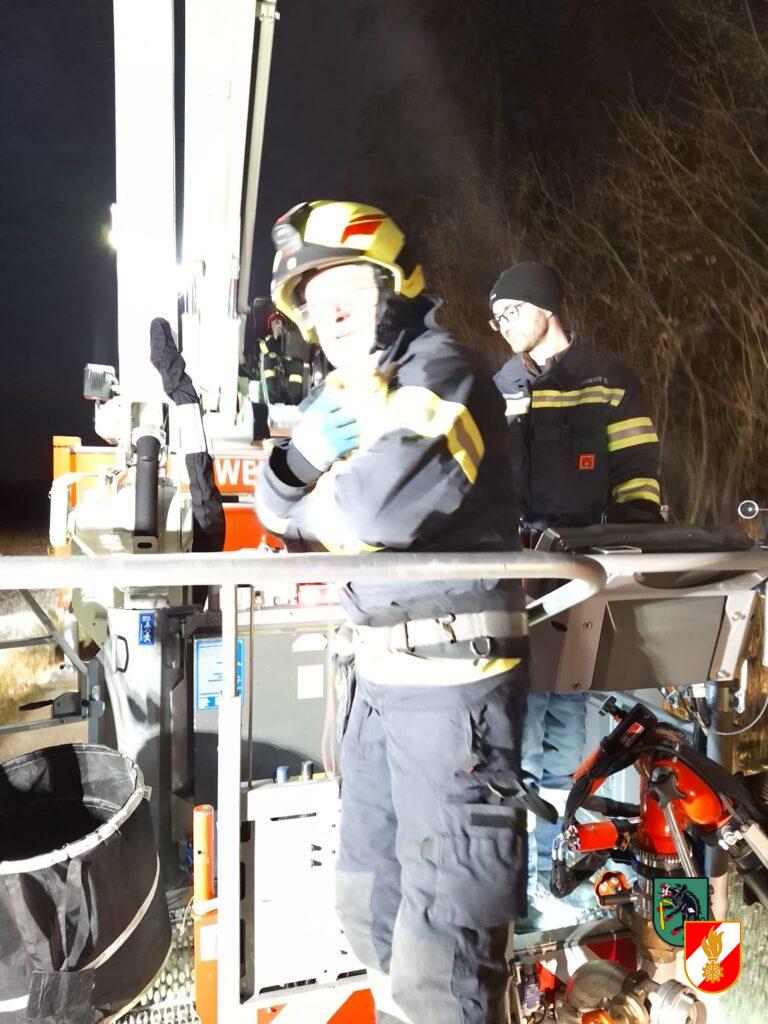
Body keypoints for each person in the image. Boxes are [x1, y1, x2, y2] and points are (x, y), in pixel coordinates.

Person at [256, 201, 552, 1024]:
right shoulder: (349, 394)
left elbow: (377, 512)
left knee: (443, 954)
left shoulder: (442, 373)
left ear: (395, 287)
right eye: (315, 304)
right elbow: (275, 514)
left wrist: (312, 498)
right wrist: (298, 461)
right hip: (379, 688)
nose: (332, 315)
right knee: (367, 909)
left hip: (451, 696)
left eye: (349, 290)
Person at [489, 262, 663, 919]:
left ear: (546, 306)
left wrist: (630, 554)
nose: (501, 324)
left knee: (574, 730)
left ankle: (563, 875)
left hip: (588, 575)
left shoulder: (608, 381)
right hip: (517, 580)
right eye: (495, 316)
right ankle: (520, 882)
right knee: (521, 731)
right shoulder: (499, 389)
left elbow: (638, 474)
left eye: (510, 310)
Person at [241, 303, 311, 441]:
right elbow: (259, 358)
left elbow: (298, 355)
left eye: (280, 322)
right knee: (268, 366)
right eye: (275, 322)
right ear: (270, 326)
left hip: (290, 378)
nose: (278, 324)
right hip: (271, 381)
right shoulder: (264, 342)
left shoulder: (292, 341)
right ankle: (273, 403)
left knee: (297, 367)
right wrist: (273, 339)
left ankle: (295, 404)